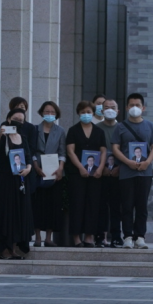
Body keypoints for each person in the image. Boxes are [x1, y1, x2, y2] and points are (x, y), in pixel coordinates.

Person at [111, 93, 153, 249]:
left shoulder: (150, 126)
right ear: (126, 108)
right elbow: (115, 148)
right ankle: (127, 236)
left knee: (142, 205)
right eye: (131, 105)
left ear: (143, 108)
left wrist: (147, 162)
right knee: (126, 205)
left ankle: (140, 236)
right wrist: (127, 162)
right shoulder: (120, 127)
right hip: (126, 172)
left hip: (145, 172)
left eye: (137, 105)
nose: (134, 108)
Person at [0, 108, 35, 259]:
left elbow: (28, 157)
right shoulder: (3, 137)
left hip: (21, 179)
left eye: (21, 120)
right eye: (16, 119)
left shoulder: (23, 137)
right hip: (6, 179)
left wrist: (28, 169)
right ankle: (4, 249)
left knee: (19, 212)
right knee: (6, 211)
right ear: (9, 119)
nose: (18, 122)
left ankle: (14, 248)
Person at [65, 101, 107, 247]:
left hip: (95, 174)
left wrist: (100, 168)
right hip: (77, 174)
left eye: (88, 112)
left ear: (93, 113)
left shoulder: (99, 131)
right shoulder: (73, 130)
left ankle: (89, 236)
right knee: (77, 203)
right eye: (83, 112)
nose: (86, 114)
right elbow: (70, 151)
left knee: (93, 204)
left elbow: (103, 151)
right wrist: (80, 168)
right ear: (78, 113)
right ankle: (76, 237)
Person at [31, 101, 65, 247]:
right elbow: (32, 150)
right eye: (47, 111)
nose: (49, 114)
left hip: (54, 171)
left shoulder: (60, 131)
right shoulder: (35, 129)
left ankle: (49, 238)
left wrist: (60, 168)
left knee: (53, 205)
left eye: (52, 112)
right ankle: (38, 237)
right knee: (37, 204)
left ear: (56, 114)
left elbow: (62, 152)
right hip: (38, 171)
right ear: (41, 113)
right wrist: (36, 166)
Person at [95, 99, 123, 247]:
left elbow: (126, 150)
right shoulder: (96, 128)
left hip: (119, 173)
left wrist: (119, 167)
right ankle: (100, 236)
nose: (110, 110)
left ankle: (117, 236)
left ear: (118, 111)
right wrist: (101, 168)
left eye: (113, 107)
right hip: (101, 173)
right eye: (106, 107)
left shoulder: (122, 128)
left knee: (117, 206)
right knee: (101, 206)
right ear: (101, 111)